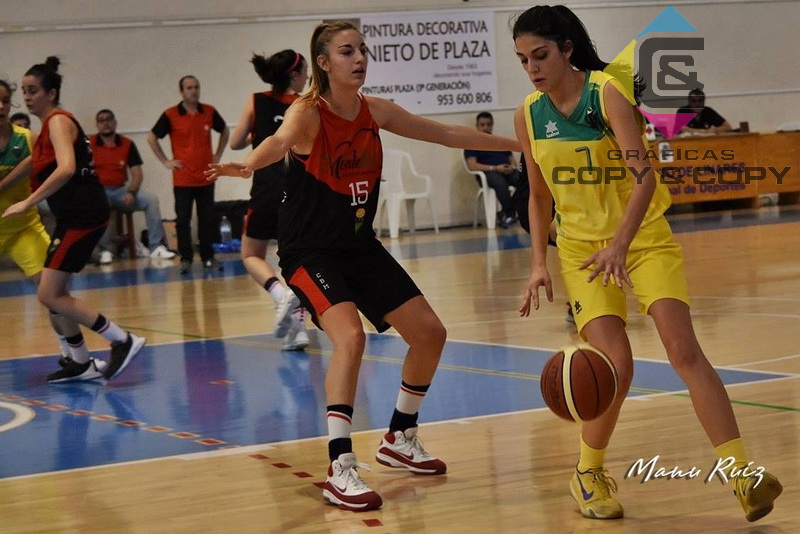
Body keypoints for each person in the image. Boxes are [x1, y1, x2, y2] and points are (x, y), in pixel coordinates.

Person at [207, 21, 520, 512]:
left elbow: (442, 132)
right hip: (309, 251)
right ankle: (339, 466)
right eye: (347, 51)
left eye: (362, 50)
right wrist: (249, 165)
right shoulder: (309, 111)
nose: (359, 59)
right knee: (350, 337)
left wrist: (520, 145)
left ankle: (399, 437)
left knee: (430, 334)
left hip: (358, 245)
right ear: (324, 63)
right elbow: (281, 140)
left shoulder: (376, 111)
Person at [513, 6, 781, 522]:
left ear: (567, 49)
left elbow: (645, 178)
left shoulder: (606, 93)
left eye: (540, 55)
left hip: (643, 240)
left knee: (684, 352)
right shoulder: (527, 114)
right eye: (523, 60)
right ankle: (587, 473)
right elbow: (538, 194)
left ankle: (743, 476)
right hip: (581, 252)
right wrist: (537, 264)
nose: (532, 69)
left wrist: (620, 244)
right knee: (615, 366)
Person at [1, 57, 145, 383]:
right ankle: (81, 362)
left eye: (33, 91)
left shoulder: (58, 121)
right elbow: (32, 163)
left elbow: (66, 168)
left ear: (51, 93)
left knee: (49, 294)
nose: (27, 97)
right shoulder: (47, 128)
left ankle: (122, 340)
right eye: (24, 91)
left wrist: (27, 202)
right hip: (72, 216)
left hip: (83, 216)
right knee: (52, 293)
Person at [0, 79, 104, 372]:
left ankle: (76, 357)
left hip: (22, 229)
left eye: (5, 100)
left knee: (52, 292)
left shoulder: (27, 138)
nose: (0, 106)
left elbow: (43, 163)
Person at [229, 50, 309, 351]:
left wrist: (257, 133)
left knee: (251, 254)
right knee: (299, 260)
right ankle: (298, 330)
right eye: (304, 71)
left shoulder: (256, 101)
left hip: (265, 188)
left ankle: (280, 294)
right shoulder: (305, 104)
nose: (307, 76)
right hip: (299, 190)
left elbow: (236, 142)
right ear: (294, 74)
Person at [147, 75, 229, 274]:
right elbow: (152, 137)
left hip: (206, 176)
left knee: (206, 218)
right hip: (183, 178)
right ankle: (186, 258)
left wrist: (218, 154)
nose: (194, 91)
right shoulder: (171, 114)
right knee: (183, 219)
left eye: (196, 87)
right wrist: (166, 161)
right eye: (189, 88)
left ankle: (208, 257)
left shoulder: (209, 111)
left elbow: (225, 130)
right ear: (181, 92)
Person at [90, 108, 176, 264]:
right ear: (97, 125)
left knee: (151, 200)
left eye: (109, 119)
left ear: (115, 122)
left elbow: (137, 173)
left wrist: (131, 192)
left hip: (120, 191)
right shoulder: (89, 144)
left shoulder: (127, 144)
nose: (106, 123)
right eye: (101, 121)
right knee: (101, 202)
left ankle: (156, 247)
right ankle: (106, 250)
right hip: (98, 192)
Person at [464, 111, 522, 228]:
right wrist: (495, 168)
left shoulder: (499, 141)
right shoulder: (471, 144)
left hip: (506, 171)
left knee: (524, 180)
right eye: (482, 125)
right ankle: (510, 214)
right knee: (500, 182)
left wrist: (511, 167)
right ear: (477, 126)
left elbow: (513, 161)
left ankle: (506, 211)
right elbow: (472, 166)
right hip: (488, 174)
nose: (486, 127)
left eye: (488, 124)